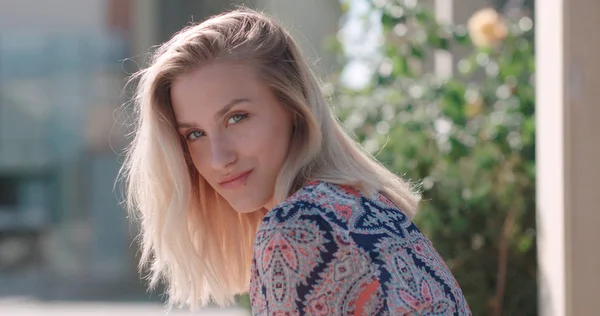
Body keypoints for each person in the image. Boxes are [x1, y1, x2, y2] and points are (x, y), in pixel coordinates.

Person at [121, 7, 471, 315]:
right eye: (195, 134)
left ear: (292, 106)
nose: (218, 158)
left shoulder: (300, 225)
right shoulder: (369, 208)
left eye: (237, 117)